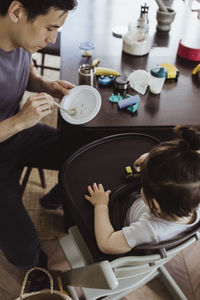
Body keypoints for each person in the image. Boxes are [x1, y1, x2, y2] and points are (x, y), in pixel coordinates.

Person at [0, 0, 78, 291]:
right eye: (50, 27)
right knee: (23, 248)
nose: (52, 39)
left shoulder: (19, 40)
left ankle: (59, 194)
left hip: (15, 133)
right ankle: (38, 277)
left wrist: (44, 84)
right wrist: (22, 120)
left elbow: (26, 73)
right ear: (17, 12)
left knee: (79, 150)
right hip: (11, 133)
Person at [85, 125, 200, 255]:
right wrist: (155, 160)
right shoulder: (195, 193)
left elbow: (106, 243)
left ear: (155, 204)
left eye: (144, 184)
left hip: (122, 215)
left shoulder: (148, 230)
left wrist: (101, 205)